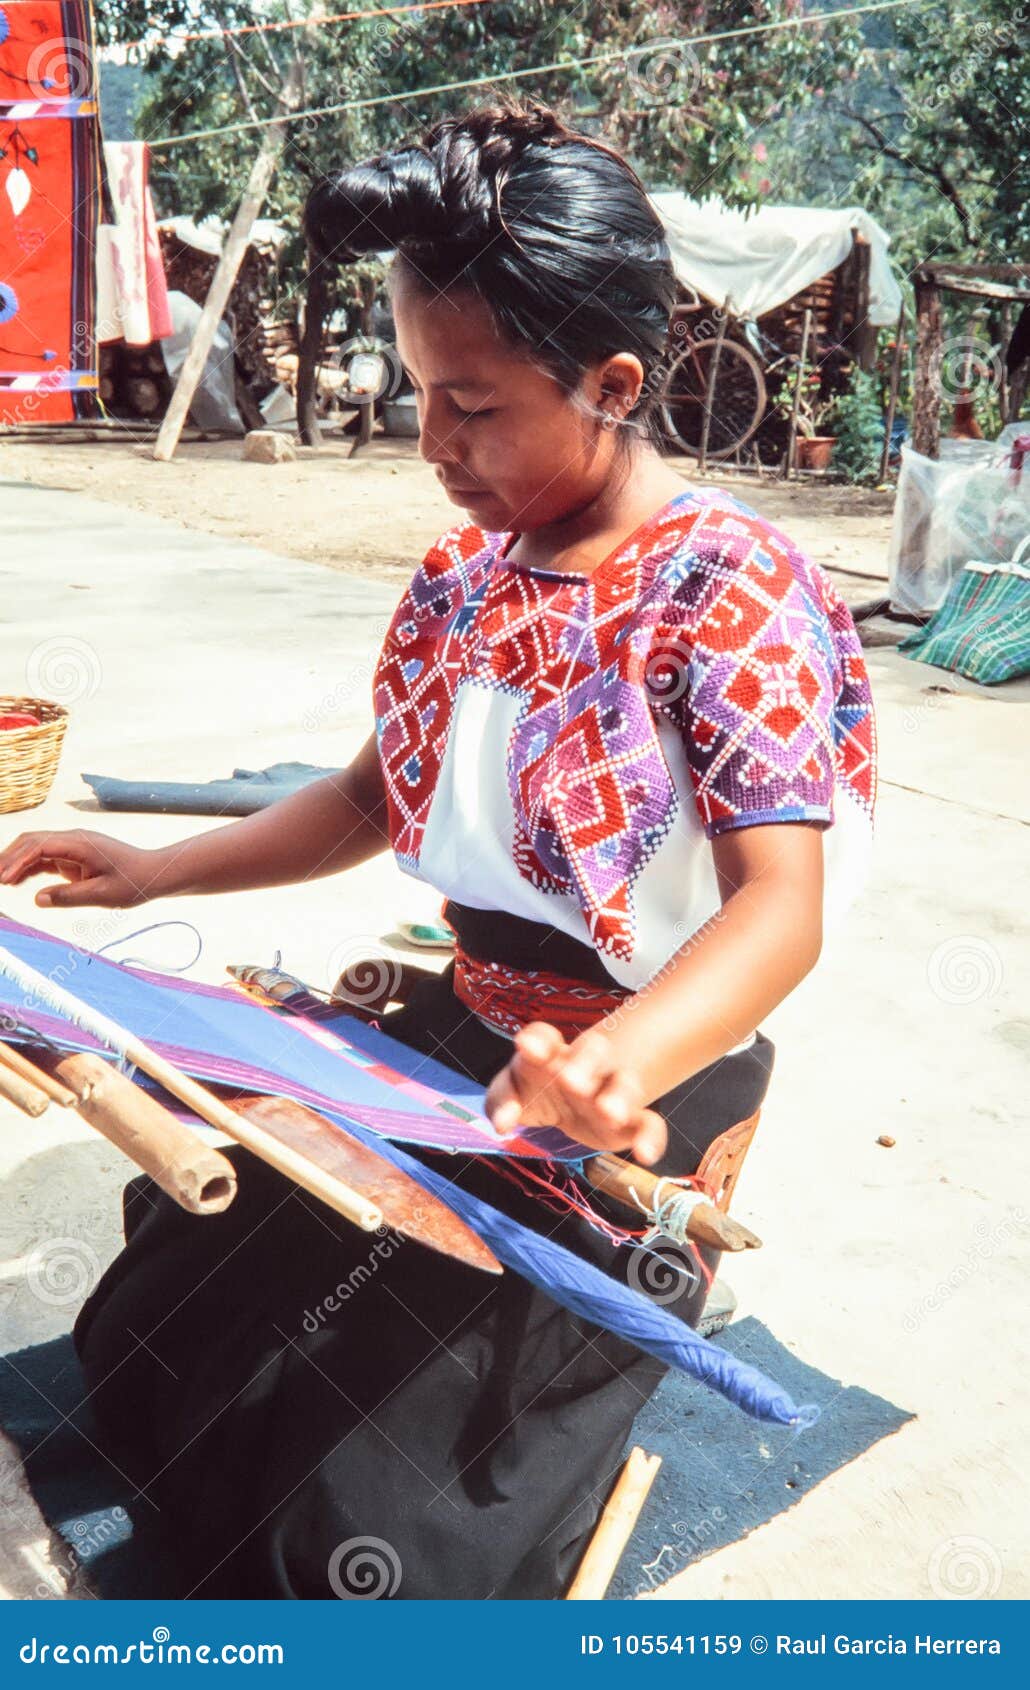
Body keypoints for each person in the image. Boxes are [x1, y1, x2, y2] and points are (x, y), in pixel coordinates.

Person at [0, 98, 876, 1599]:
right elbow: (361, 801)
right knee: (160, 1344)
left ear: (609, 385)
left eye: (470, 405)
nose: (431, 444)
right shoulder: (470, 575)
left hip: (632, 1088)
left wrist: (620, 1063)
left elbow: (778, 909)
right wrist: (154, 871)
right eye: (417, 392)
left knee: (363, 1530)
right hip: (459, 1035)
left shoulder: (729, 588)